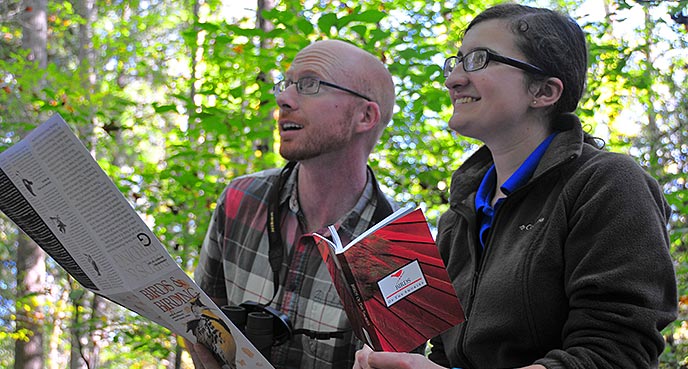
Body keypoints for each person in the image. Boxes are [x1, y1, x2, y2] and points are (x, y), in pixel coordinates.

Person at [354, 3, 677, 369]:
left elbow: (616, 354)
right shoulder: (460, 212)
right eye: (456, 61)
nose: (453, 79)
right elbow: (448, 354)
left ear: (543, 91)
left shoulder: (607, 184)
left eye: (479, 60)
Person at [186, 39, 397, 369]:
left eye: (310, 84)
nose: (283, 98)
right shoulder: (241, 200)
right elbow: (197, 318)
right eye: (286, 84)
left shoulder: (397, 247)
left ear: (365, 116)